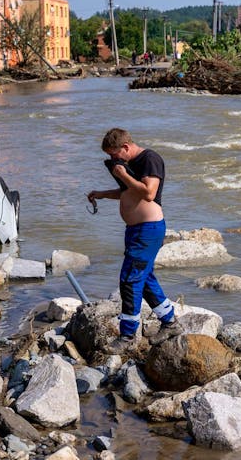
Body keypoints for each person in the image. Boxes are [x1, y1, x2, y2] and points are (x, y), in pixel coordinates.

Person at [87, 128, 183, 352]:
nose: (113, 160)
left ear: (126, 147)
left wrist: (122, 174)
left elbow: (148, 193)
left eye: (115, 155)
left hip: (148, 230)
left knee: (129, 280)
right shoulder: (128, 167)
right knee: (145, 278)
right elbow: (128, 192)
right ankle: (170, 323)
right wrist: (101, 193)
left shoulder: (150, 159)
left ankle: (128, 336)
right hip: (136, 231)